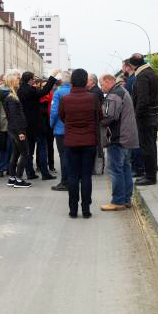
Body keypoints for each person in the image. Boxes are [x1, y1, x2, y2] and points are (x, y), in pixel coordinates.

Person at [59, 68, 102, 218]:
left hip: (71, 141)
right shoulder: (93, 98)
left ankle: (72, 209)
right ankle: (85, 209)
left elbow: (62, 116)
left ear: (72, 81)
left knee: (73, 176)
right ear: (85, 81)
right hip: (89, 141)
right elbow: (99, 117)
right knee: (86, 176)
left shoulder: (65, 99)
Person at [98, 74, 139, 211]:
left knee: (115, 170)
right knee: (125, 168)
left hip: (118, 137)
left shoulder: (115, 94)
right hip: (127, 137)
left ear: (109, 81)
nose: (101, 87)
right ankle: (126, 199)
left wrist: (98, 118)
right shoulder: (122, 91)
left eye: (102, 84)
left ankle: (118, 201)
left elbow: (109, 116)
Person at [17, 70, 60, 181]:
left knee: (29, 151)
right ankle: (45, 173)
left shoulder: (20, 90)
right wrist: (52, 77)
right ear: (31, 80)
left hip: (26, 125)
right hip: (37, 124)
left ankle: (30, 173)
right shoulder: (30, 90)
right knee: (42, 149)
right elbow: (45, 91)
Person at [0, 69, 32, 188]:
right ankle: (18, 178)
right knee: (25, 153)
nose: (19, 81)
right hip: (17, 129)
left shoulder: (11, 95)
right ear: (12, 81)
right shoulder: (11, 97)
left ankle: (12, 178)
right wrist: (20, 132)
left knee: (16, 153)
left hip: (14, 129)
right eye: (17, 79)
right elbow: (13, 116)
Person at [130, 54, 158, 186]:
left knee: (147, 147)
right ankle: (150, 174)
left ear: (132, 65)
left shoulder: (142, 76)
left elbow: (143, 99)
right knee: (151, 146)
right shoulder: (151, 72)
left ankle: (150, 176)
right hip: (152, 115)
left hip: (145, 117)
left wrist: (136, 115)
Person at [49, 72, 72, 191]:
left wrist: (51, 125)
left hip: (60, 129)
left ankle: (65, 182)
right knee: (72, 156)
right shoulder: (74, 91)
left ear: (62, 81)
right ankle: (72, 180)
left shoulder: (58, 93)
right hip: (73, 129)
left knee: (63, 156)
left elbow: (54, 111)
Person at [122, 60, 144, 178]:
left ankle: (138, 168)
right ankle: (138, 167)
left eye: (123, 66)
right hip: (133, 114)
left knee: (135, 144)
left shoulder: (131, 80)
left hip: (132, 115)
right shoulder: (133, 79)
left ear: (127, 67)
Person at [87, 73, 106, 175]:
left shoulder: (95, 92)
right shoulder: (93, 91)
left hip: (96, 123)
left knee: (98, 146)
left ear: (92, 81)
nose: (86, 82)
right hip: (96, 122)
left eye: (87, 80)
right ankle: (97, 168)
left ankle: (98, 168)